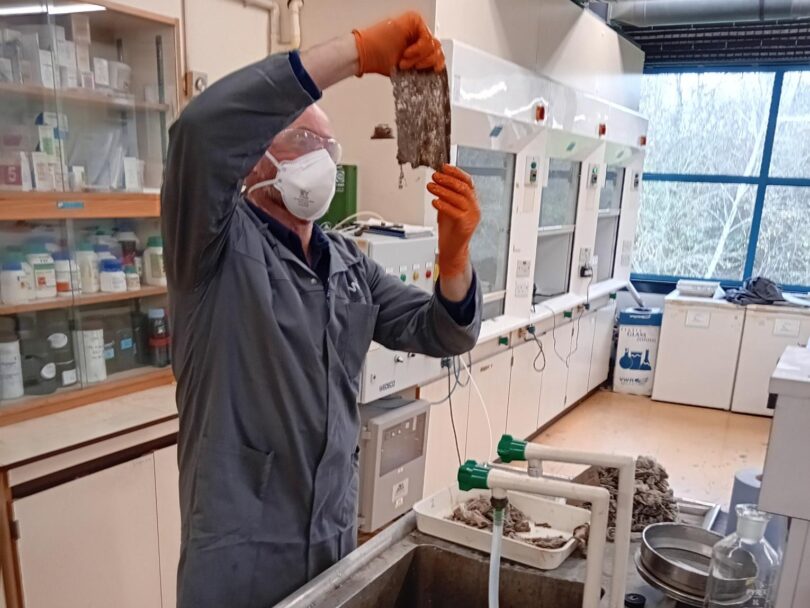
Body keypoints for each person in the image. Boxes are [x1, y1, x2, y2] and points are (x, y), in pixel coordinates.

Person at [161, 11, 482, 607]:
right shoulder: (210, 250)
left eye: (329, 146)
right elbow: (200, 134)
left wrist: (456, 258)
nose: (324, 159)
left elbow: (443, 331)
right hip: (239, 556)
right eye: (304, 141)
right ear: (254, 158)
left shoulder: (347, 262)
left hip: (330, 539)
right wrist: (357, 54)